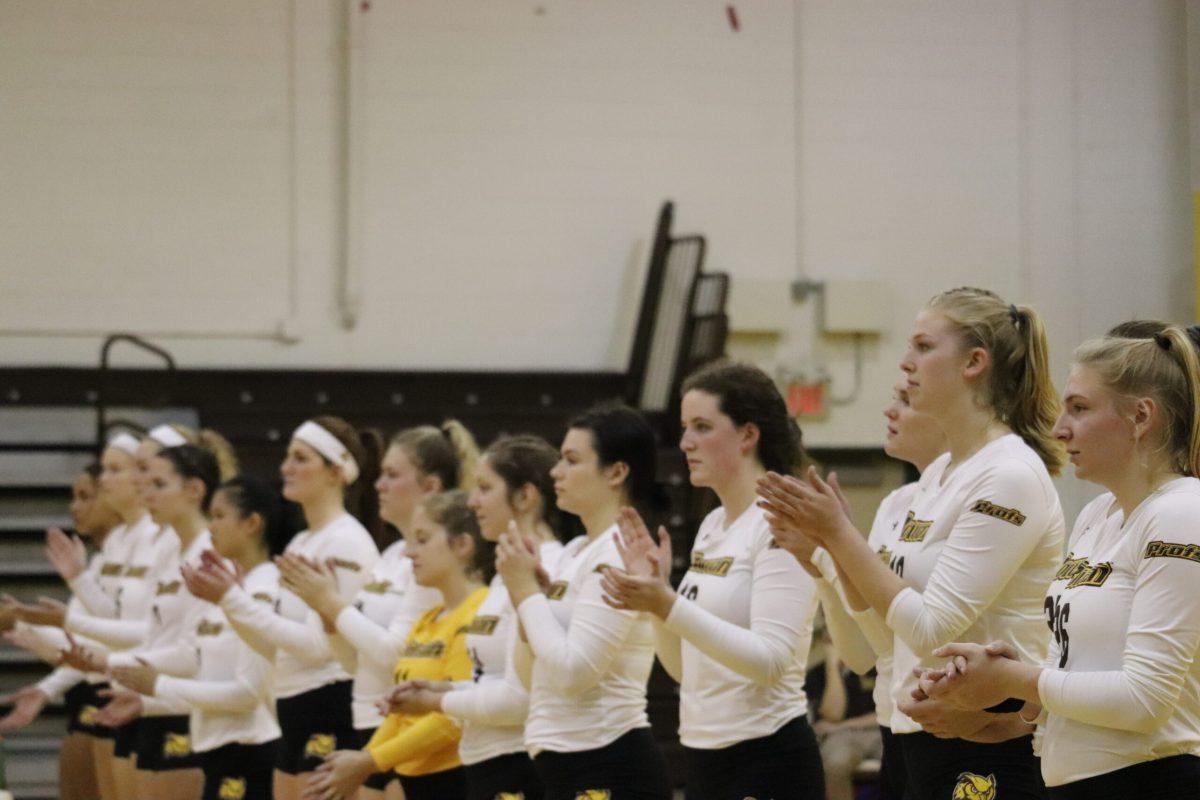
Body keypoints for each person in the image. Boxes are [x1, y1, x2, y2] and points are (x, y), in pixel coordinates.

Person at [760, 287, 1066, 800]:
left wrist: (839, 535)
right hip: (918, 734)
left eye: (923, 346)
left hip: (989, 742)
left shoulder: (1009, 473)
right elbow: (886, 646)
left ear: (974, 363)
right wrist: (830, 555)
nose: (905, 363)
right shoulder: (940, 478)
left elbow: (930, 631)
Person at [918, 326, 1200, 799]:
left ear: (1140, 417)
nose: (1058, 428)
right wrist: (1001, 708)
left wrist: (1014, 679)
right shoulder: (1097, 515)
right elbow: (1075, 669)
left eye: (1080, 408)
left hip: (1153, 781)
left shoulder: (1180, 511)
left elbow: (1145, 701)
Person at [600, 362, 822, 800]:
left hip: (768, 756)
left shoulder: (781, 520)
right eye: (685, 428)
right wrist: (657, 605)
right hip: (705, 754)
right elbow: (686, 668)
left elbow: (771, 661)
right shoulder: (713, 525)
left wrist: (667, 604)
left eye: (702, 427)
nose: (685, 442)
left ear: (747, 434)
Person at [279, 420, 478, 799]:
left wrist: (331, 605)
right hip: (370, 722)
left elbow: (395, 654)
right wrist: (330, 620)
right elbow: (356, 664)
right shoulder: (389, 556)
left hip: (409, 734)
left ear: (430, 486)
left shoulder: (434, 565)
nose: (378, 485)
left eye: (391, 475)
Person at [186, 417, 382, 800]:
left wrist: (232, 600)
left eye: (300, 458)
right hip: (290, 709)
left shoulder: (346, 543)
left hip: (329, 703)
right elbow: (271, 646)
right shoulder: (302, 542)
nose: (285, 468)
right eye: (288, 456)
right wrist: (227, 602)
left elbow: (317, 647)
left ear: (336, 472)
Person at [497, 401, 673, 800]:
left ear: (616, 472)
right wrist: (529, 607)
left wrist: (526, 594)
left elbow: (575, 673)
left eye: (572, 460)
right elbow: (530, 679)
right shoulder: (573, 550)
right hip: (560, 761)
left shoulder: (619, 553)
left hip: (610, 760)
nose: (556, 472)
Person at [386, 434, 572, 800]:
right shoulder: (505, 573)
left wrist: (438, 702)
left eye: (485, 488)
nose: (472, 502)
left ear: (525, 496)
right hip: (484, 764)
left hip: (522, 764)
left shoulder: (550, 568)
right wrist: (444, 688)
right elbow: (494, 678)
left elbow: (525, 699)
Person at [113, 476, 295, 800]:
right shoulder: (229, 591)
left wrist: (157, 686)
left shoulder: (264, 589)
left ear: (252, 523)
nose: (211, 526)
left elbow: (247, 694)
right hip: (217, 754)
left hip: (250, 753)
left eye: (220, 516)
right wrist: (149, 702)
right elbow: (199, 668)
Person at [303, 490, 491, 799]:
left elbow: (454, 717)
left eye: (422, 540)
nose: (408, 553)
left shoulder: (481, 611)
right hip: (418, 782)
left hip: (459, 780)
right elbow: (401, 713)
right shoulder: (428, 618)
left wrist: (369, 760)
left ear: (462, 545)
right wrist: (360, 760)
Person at [0, 463, 122, 800]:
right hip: (90, 699)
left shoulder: (133, 556)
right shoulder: (100, 561)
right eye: (73, 497)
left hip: (124, 698)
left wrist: (20, 622)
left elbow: (107, 639)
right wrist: (45, 687)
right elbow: (82, 645)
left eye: (86, 496)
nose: (75, 507)